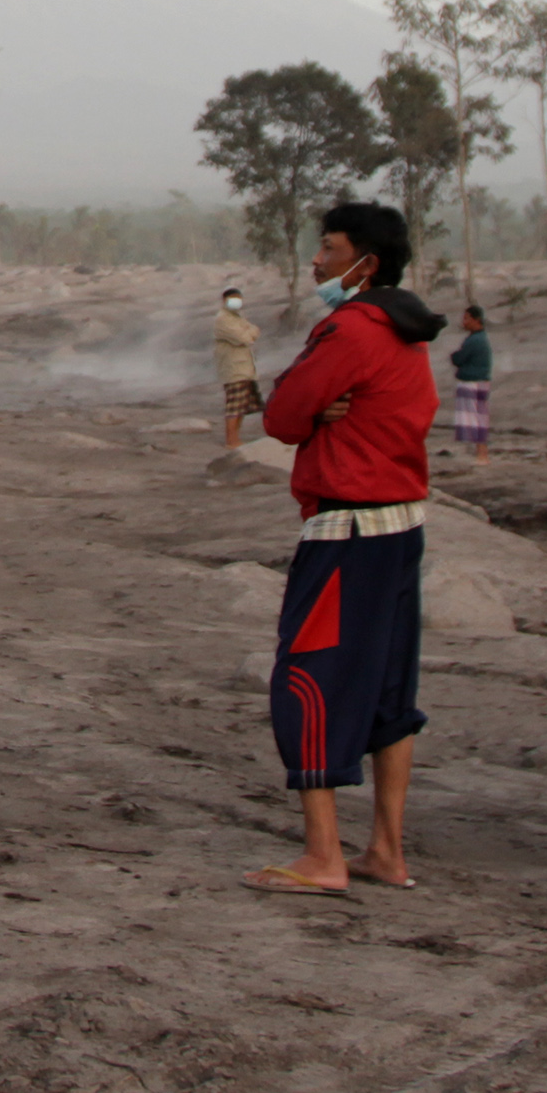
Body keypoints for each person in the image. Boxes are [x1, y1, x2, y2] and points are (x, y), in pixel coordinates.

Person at [247, 200, 446, 897]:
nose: (317, 260)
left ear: (365, 263)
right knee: (391, 691)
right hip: (402, 527)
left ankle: (323, 855)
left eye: (329, 247)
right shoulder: (409, 331)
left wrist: (313, 411)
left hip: (346, 532)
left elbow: (281, 415)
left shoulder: (351, 329)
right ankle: (386, 850)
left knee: (308, 680)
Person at [213, 285, 263, 450]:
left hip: (244, 367)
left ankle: (236, 437)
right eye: (233, 299)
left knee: (242, 404)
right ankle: (231, 440)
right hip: (233, 368)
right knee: (234, 404)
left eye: (238, 299)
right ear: (224, 300)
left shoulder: (237, 317)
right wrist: (249, 332)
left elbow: (255, 330)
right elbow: (244, 338)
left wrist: (249, 332)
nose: (237, 302)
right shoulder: (223, 319)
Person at [447, 307, 494, 455]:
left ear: (476, 320)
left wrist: (455, 356)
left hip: (472, 382)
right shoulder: (480, 338)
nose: (464, 322)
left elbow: (458, 358)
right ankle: (481, 452)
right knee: (479, 417)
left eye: (467, 318)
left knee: (474, 419)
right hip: (480, 381)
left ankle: (481, 453)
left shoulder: (475, 340)